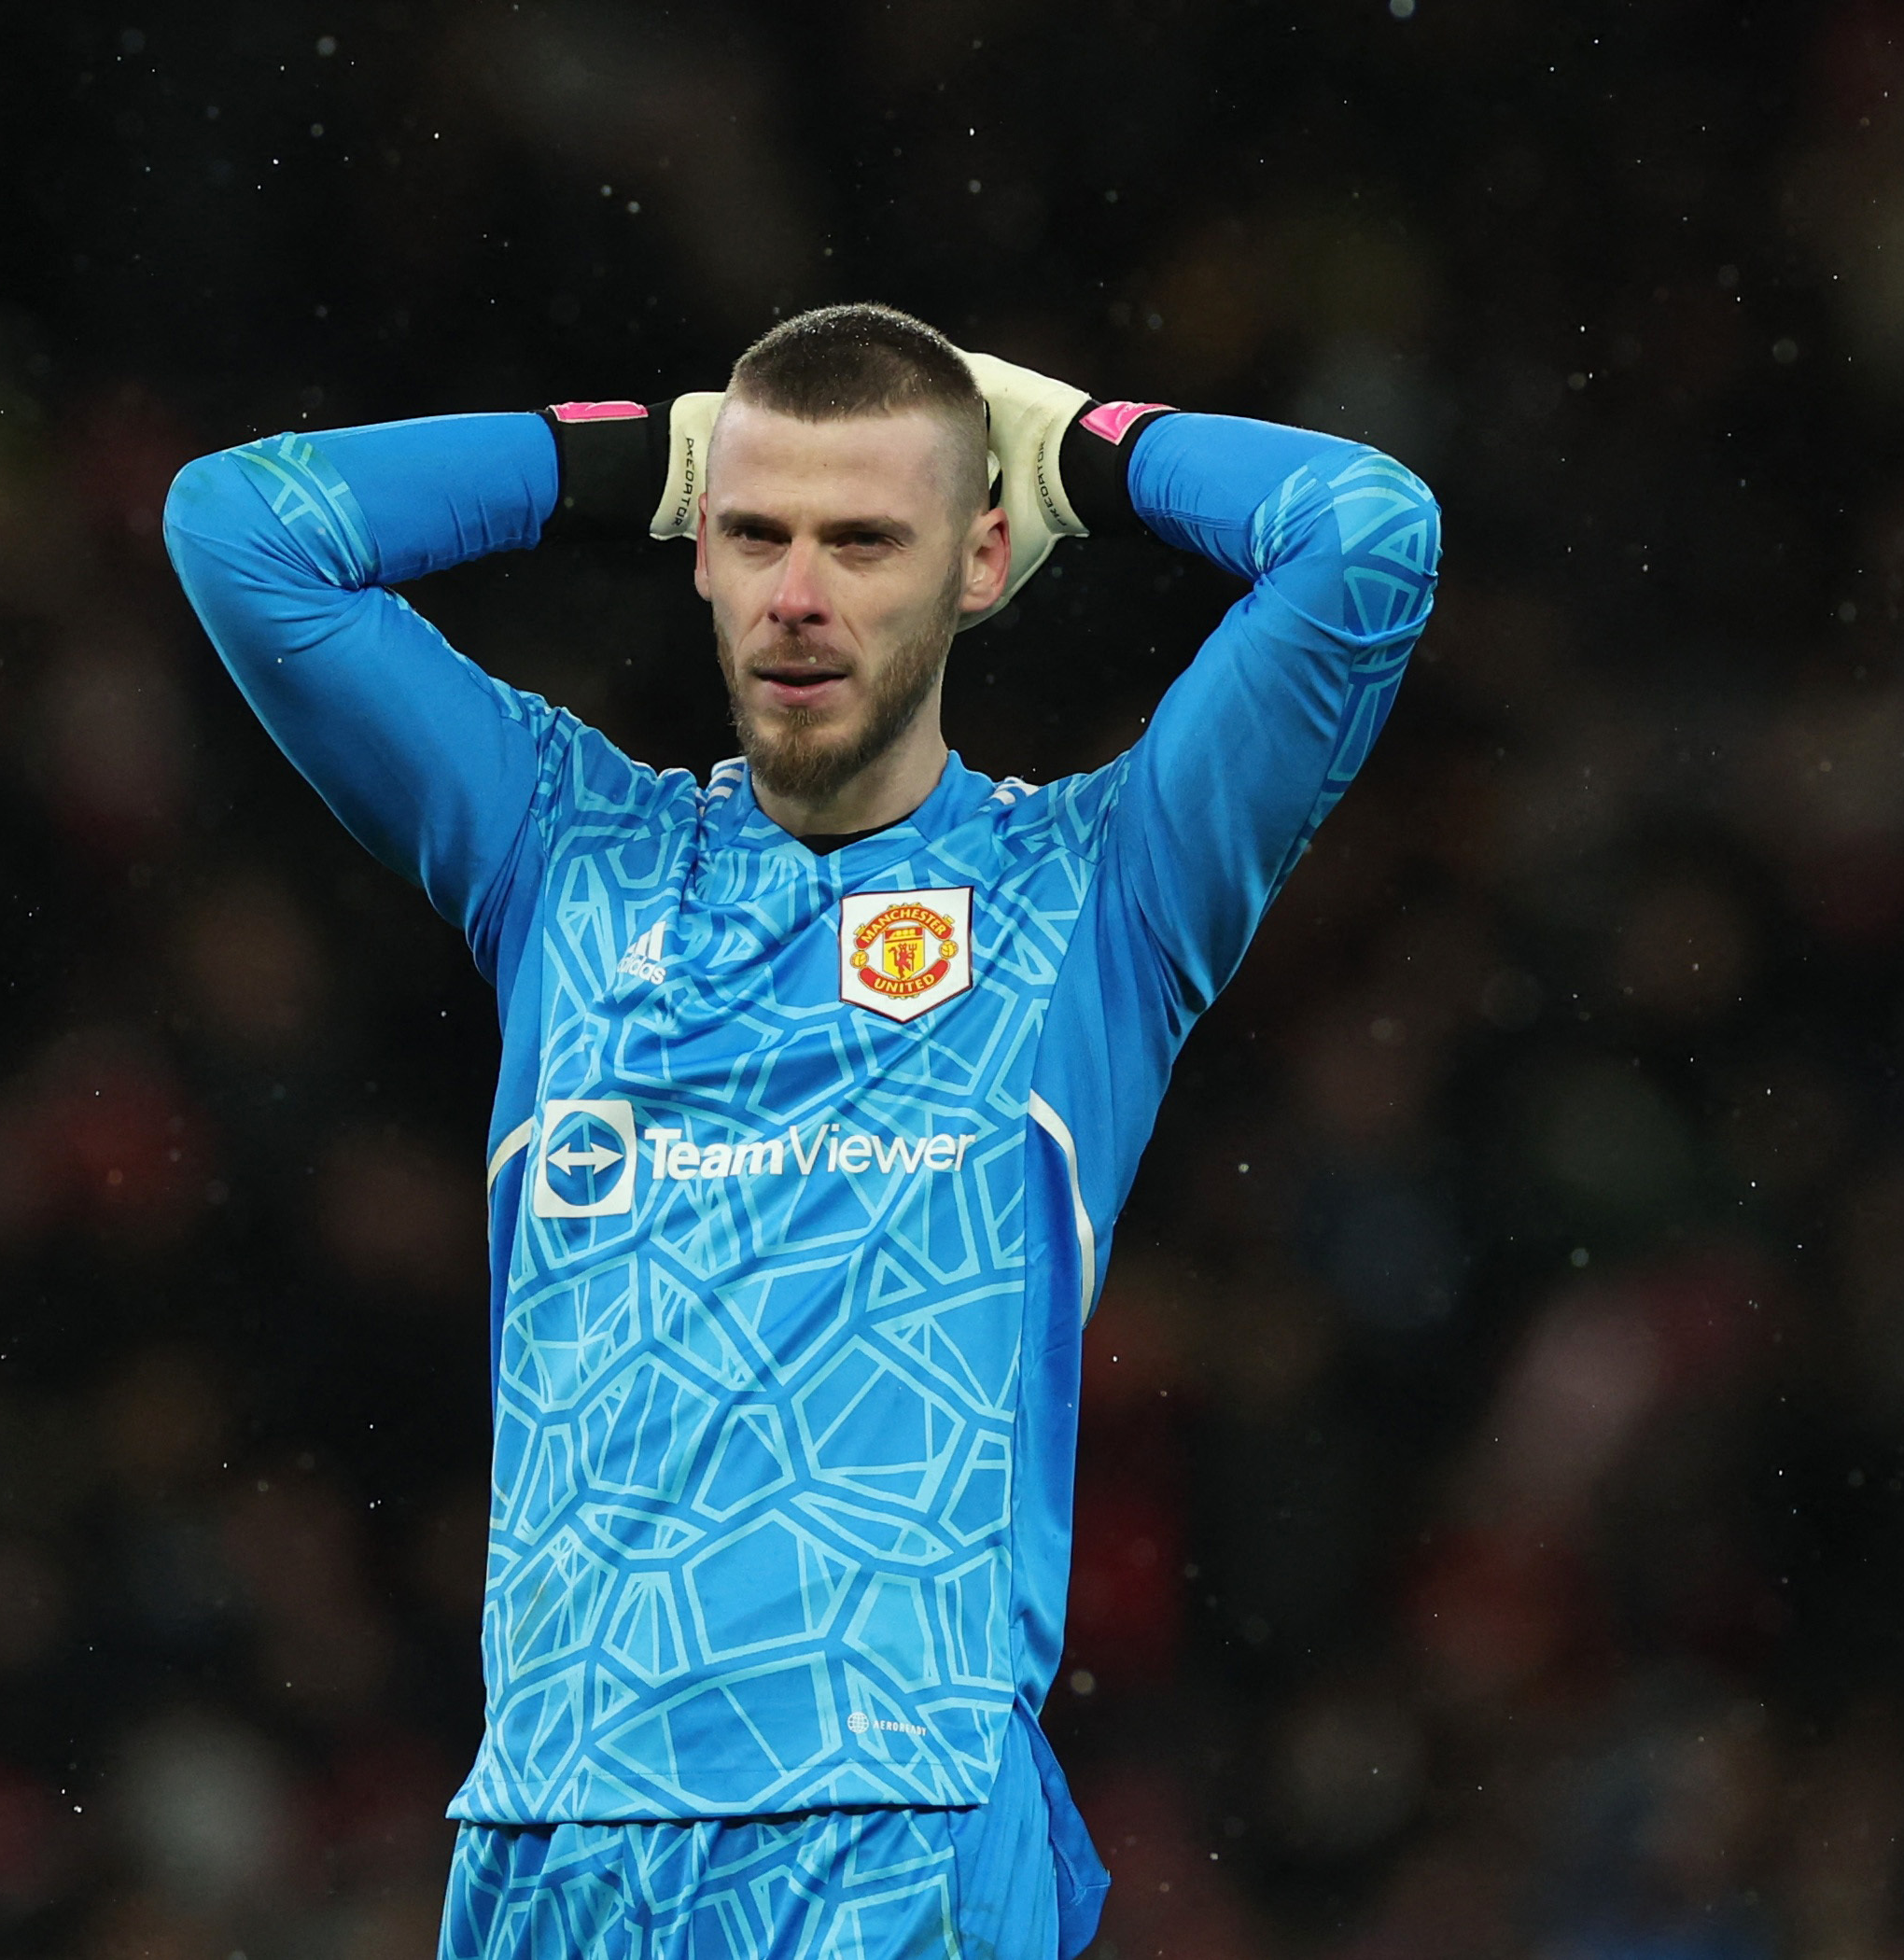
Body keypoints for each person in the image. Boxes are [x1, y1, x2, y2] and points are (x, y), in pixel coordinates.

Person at [162, 303, 1440, 1960]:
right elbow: (239, 528)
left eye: (864, 541)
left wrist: (1081, 453)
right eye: (757, 533)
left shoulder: (1092, 893)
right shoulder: (564, 852)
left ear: (982, 562)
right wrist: (657, 456)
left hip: (896, 1827)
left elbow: (1364, 534)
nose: (796, 596)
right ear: (698, 550)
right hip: (552, 1829)